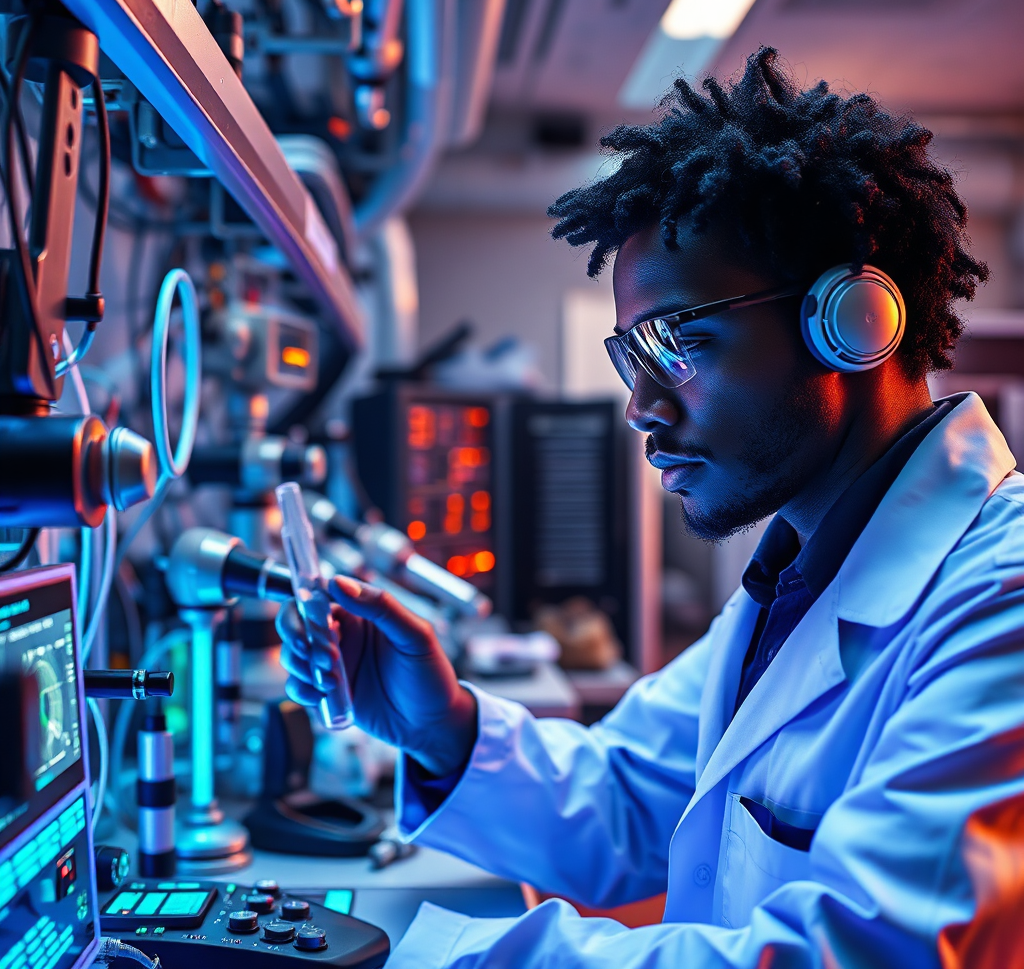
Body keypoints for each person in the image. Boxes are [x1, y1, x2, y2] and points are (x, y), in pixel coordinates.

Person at [277, 47, 1024, 967]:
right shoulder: (800, 574)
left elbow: (871, 951)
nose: (640, 405)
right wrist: (446, 728)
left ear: (850, 322)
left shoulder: (1001, 604)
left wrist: (428, 955)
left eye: (681, 344)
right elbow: (625, 795)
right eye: (631, 355)